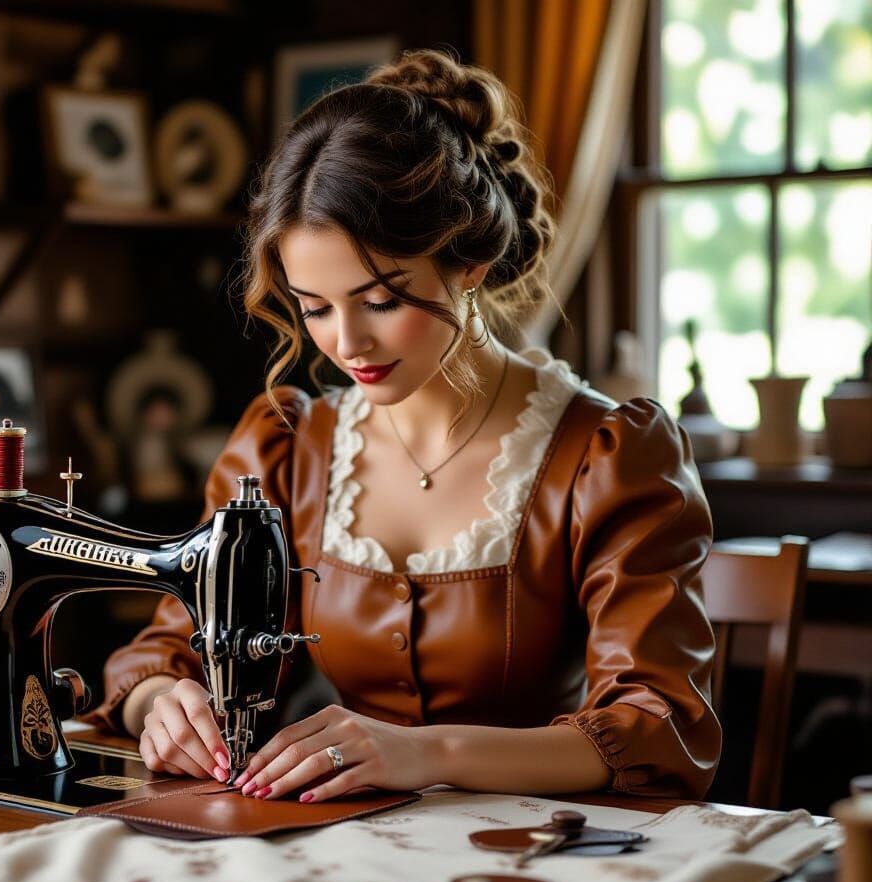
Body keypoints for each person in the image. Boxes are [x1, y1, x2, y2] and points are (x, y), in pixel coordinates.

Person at [89, 50, 721, 802]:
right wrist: (162, 705)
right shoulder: (287, 448)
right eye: (315, 308)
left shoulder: (606, 455)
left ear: (469, 263)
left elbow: (656, 724)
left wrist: (426, 754)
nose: (346, 343)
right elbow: (165, 651)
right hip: (332, 846)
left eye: (381, 300)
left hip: (540, 852)